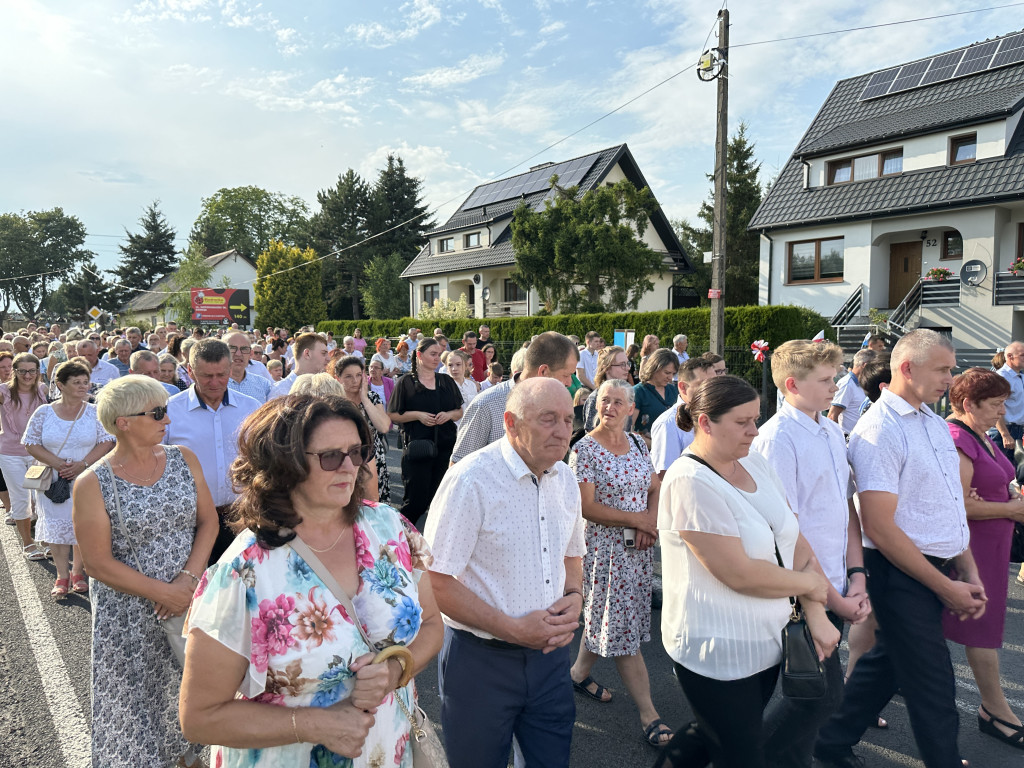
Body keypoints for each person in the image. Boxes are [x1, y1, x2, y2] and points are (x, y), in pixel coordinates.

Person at [179, 394, 443, 766]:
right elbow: (199, 717)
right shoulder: (244, 571)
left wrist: (396, 669)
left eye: (357, 451)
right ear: (284, 465)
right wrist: (315, 725)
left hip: (389, 751)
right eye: (331, 456)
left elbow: (432, 624)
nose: (349, 466)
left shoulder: (390, 527)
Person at [814, 329, 986, 768]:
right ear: (907, 369)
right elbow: (879, 527)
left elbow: (946, 505)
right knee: (933, 682)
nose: (952, 377)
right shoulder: (879, 430)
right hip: (897, 569)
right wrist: (946, 588)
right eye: (944, 369)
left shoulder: (930, 419)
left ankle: (829, 742)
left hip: (933, 566)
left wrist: (967, 568)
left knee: (887, 663)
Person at [654, 375, 840, 768]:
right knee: (739, 752)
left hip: (765, 641)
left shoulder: (754, 461)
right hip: (717, 649)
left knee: (719, 735)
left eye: (756, 419)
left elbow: (794, 540)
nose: (755, 431)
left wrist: (817, 612)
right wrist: (811, 586)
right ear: (705, 422)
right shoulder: (689, 481)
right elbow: (738, 573)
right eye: (743, 422)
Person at [425, 378, 586, 768]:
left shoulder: (564, 478)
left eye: (568, 419)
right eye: (548, 419)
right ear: (511, 423)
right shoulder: (471, 479)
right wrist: (513, 629)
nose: (563, 431)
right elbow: (434, 580)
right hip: (481, 661)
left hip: (550, 660)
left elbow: (571, 553)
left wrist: (575, 597)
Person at [73, 375, 217, 768]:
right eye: (157, 413)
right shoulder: (92, 483)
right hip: (129, 615)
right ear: (124, 421)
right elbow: (98, 563)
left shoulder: (183, 458)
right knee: (136, 705)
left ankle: (191, 758)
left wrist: (186, 582)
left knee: (191, 691)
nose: (166, 420)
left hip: (189, 600)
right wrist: (162, 592)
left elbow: (209, 523)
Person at [751, 340, 871, 768]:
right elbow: (789, 534)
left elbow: (845, 510)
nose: (835, 386)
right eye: (825, 380)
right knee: (818, 697)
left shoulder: (831, 430)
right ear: (791, 384)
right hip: (798, 594)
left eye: (834, 376)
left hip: (835, 584)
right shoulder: (777, 439)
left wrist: (856, 575)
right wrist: (832, 598)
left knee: (806, 700)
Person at [568, 379, 671, 746]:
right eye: (604, 401)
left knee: (608, 617)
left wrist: (650, 520)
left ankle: (578, 674)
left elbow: (655, 487)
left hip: (638, 552)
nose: (609, 407)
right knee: (625, 631)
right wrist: (635, 521)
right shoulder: (584, 450)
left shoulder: (640, 444)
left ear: (631, 409)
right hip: (605, 552)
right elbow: (586, 507)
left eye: (617, 402)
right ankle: (649, 714)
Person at [942, 368, 1024, 749]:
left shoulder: (979, 435)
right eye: (994, 404)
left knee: (984, 627)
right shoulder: (958, 437)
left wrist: (1007, 500)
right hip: (972, 548)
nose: (1002, 411)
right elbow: (959, 508)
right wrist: (1010, 509)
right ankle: (995, 710)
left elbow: (986, 493)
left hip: (992, 544)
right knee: (983, 628)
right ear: (967, 404)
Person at [165, 338, 261, 565]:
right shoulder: (170, 410)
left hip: (240, 517)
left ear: (230, 368)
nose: (215, 382)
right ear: (189, 371)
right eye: (207, 376)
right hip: (189, 521)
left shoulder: (251, 407)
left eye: (222, 374)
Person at [25, 360, 116, 598]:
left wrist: (82, 465)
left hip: (86, 478)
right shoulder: (44, 412)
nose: (83, 386)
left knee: (82, 525)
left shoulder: (95, 411)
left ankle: (78, 572)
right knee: (57, 527)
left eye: (85, 382)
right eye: (76, 382)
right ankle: (61, 575)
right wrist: (59, 465)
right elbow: (30, 442)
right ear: (60, 385)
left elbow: (107, 441)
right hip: (54, 481)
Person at [451, 331, 580, 464]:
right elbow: (458, 466)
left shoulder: (559, 406)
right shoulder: (486, 405)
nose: (569, 383)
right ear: (543, 372)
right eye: (566, 375)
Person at [388, 338, 463, 526]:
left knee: (442, 499)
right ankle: (399, 539)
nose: (437, 358)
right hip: (419, 448)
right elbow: (393, 414)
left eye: (439, 354)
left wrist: (448, 414)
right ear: (419, 355)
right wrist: (417, 415)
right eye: (433, 354)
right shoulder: (406, 382)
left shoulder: (445, 381)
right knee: (416, 502)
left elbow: (459, 411)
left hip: (446, 448)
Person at [0, 352, 50, 560]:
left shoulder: (42, 390)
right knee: (21, 499)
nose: (27, 375)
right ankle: (28, 544)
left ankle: (47, 540)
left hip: (38, 452)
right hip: (10, 453)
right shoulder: (3, 391)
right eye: (22, 371)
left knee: (43, 499)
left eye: (31, 371)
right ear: (15, 372)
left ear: (38, 372)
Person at [331, 356, 393, 504]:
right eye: (348, 376)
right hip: (346, 462)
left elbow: (384, 426)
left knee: (373, 508)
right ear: (338, 378)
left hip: (374, 462)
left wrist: (364, 399)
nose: (355, 380)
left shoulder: (372, 397)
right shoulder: (334, 402)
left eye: (359, 375)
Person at [650, 357, 716, 479]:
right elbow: (664, 475)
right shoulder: (668, 424)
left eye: (714, 384)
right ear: (683, 387)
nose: (711, 390)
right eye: (702, 384)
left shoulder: (717, 416)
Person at [581, 346, 631, 432]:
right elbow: (591, 437)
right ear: (606, 368)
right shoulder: (595, 399)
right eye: (622, 364)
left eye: (627, 363)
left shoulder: (627, 396)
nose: (628, 368)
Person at [633, 348, 679, 440]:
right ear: (654, 368)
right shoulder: (638, 392)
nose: (670, 378)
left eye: (673, 374)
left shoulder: (674, 390)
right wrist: (652, 444)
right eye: (667, 373)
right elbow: (628, 429)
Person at [828, 349, 875, 436]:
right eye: (873, 367)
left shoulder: (862, 383)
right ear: (865, 365)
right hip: (849, 440)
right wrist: (840, 440)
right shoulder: (847, 384)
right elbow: (832, 416)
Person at [271, 332, 329, 398]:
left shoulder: (326, 388)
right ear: (307, 354)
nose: (328, 359)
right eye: (323, 353)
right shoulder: (280, 392)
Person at [995, 340, 1024, 467]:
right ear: (1010, 357)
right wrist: (1005, 434)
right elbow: (995, 407)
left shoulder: (1020, 376)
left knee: (1015, 473)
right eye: (1023, 355)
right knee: (1001, 471)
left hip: (1018, 430)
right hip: (1005, 430)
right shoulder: (1002, 377)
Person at [224, 331, 272, 404]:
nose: (238, 354)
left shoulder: (264, 385)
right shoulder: (212, 386)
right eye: (232, 348)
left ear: (251, 354)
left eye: (244, 349)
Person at [446, 350, 479, 425]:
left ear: (466, 365)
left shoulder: (472, 386)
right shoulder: (444, 386)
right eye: (450, 365)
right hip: (452, 430)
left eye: (458, 364)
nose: (454, 369)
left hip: (470, 428)